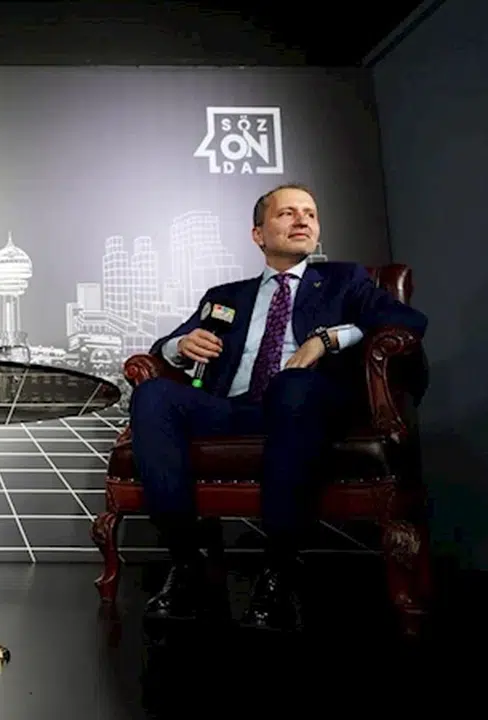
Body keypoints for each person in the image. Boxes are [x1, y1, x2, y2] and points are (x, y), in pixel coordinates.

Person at [132, 183, 427, 630]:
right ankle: (187, 561)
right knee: (153, 394)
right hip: (234, 407)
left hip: (306, 406)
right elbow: (164, 347)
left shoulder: (345, 280)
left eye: (310, 213)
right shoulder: (226, 295)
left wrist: (327, 338)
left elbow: (407, 321)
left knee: (293, 385)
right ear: (258, 234)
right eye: (287, 213)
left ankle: (280, 567)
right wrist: (180, 345)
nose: (302, 220)